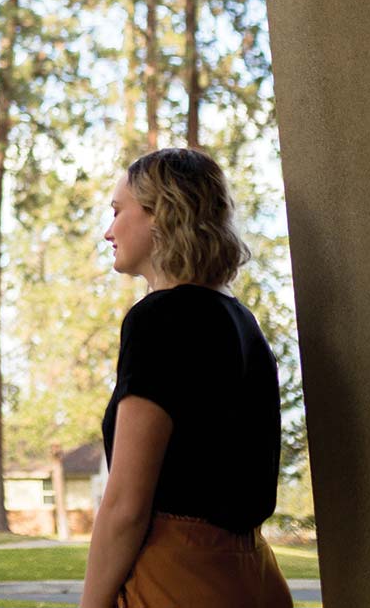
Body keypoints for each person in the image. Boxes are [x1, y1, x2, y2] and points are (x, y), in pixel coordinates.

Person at [81, 148, 292, 608]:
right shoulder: (242, 323)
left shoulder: (159, 320)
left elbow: (126, 506)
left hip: (177, 579)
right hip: (254, 578)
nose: (107, 230)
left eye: (118, 212)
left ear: (162, 215)